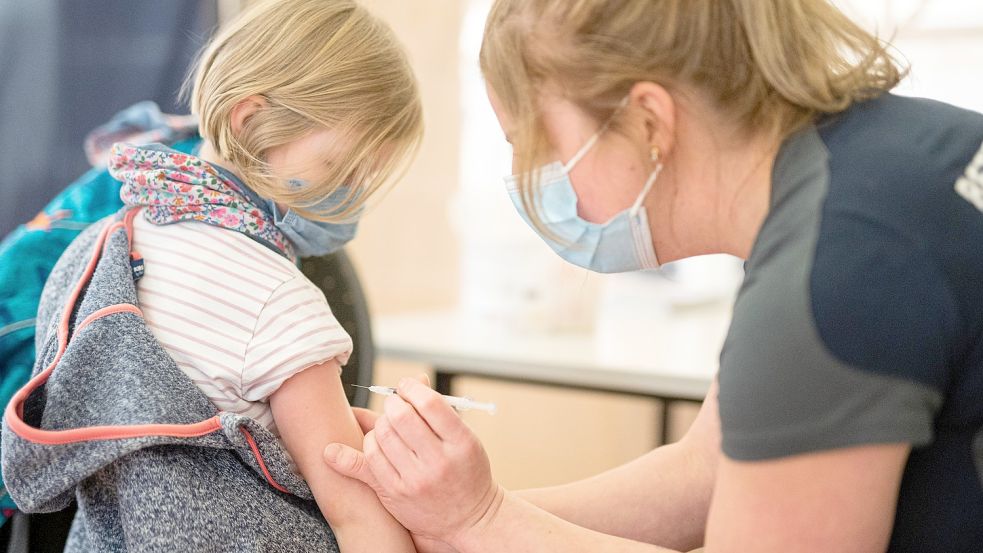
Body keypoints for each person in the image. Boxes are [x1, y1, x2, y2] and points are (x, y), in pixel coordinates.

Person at [322, 1, 983, 552]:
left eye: (536, 145)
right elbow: (705, 474)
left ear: (646, 121)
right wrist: (447, 513)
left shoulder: (831, 269)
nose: (532, 182)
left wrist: (481, 521)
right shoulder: (880, 158)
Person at [2, 0, 423, 551]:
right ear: (248, 120)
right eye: (342, 172)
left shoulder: (102, 245)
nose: (352, 199)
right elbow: (358, 515)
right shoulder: (277, 301)